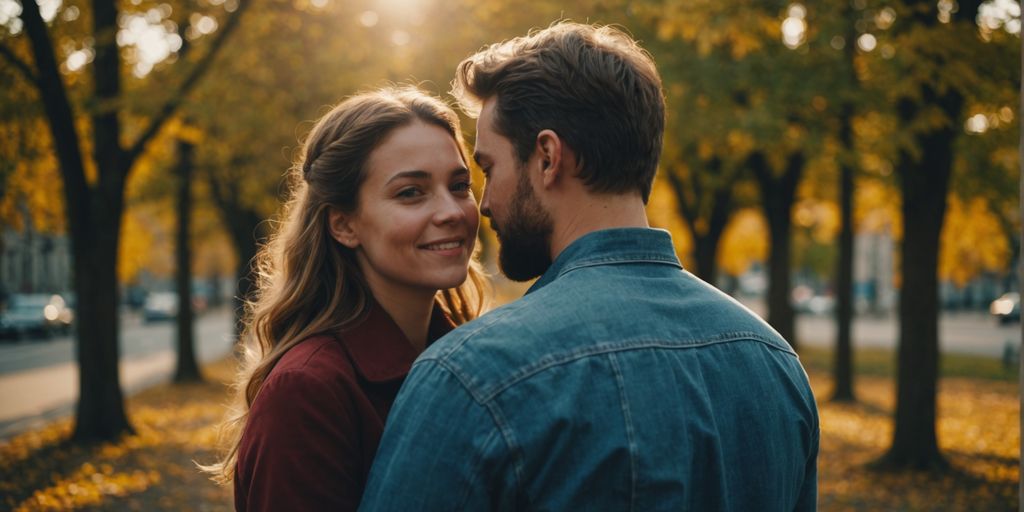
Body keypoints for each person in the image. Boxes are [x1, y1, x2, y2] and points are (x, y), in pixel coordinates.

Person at [360, 22, 819, 511]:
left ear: (548, 158)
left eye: (489, 169)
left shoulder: (471, 376)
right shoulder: (775, 363)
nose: (485, 203)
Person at [201, 86, 488, 511]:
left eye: (460, 185)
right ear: (344, 225)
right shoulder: (308, 392)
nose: (451, 211)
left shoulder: (472, 361)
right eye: (411, 192)